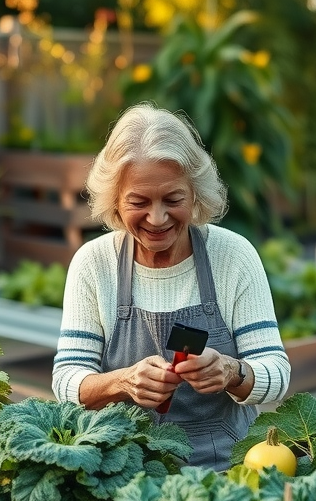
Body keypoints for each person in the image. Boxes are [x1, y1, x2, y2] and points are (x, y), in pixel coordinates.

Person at [52, 102, 291, 471]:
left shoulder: (233, 256)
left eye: (173, 199)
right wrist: (122, 382)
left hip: (227, 469)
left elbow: (276, 374)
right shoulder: (93, 263)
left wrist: (232, 371)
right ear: (115, 199)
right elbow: (67, 380)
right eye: (139, 201)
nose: (158, 218)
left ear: (195, 193)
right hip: (124, 467)